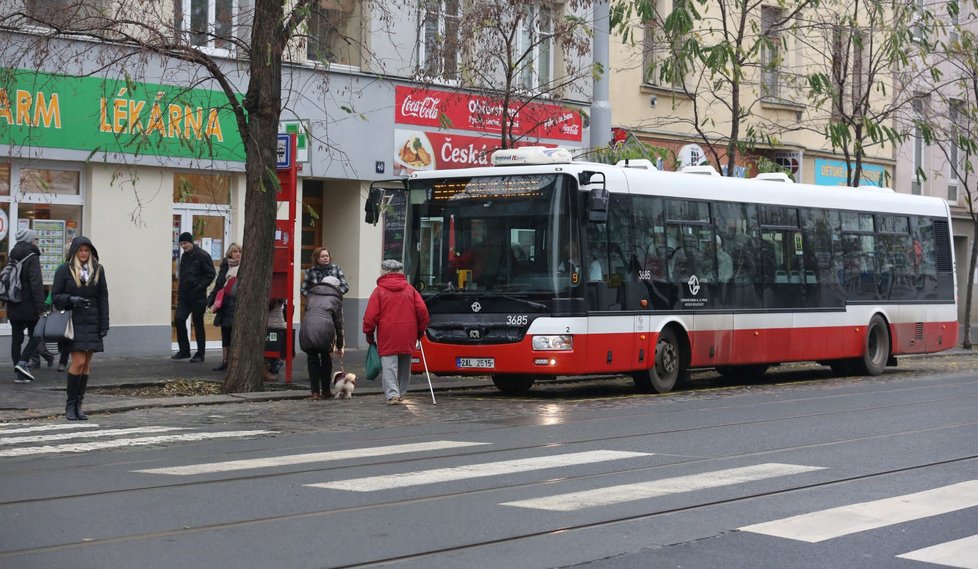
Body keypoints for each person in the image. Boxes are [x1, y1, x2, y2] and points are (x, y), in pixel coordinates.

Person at [51, 236, 109, 421]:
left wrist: (104, 324)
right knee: (78, 361)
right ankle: (70, 404)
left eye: (87, 250)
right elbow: (55, 297)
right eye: (81, 250)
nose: (84, 254)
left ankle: (78, 405)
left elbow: (103, 298)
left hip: (92, 320)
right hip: (72, 321)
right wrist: (71, 299)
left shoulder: (98, 270)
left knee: (86, 364)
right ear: (75, 252)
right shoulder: (64, 270)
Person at [362, 259, 429, 404]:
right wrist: (420, 330)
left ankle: (393, 394)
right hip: (408, 332)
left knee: (389, 364)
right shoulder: (410, 289)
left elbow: (370, 316)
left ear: (384, 272)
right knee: (405, 364)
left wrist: (369, 333)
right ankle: (402, 392)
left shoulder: (379, 291)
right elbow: (422, 311)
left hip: (387, 333)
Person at [9, 228, 47, 383]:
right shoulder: (32, 256)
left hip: (14, 303)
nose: (36, 241)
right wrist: (42, 308)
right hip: (29, 306)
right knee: (36, 336)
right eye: (35, 238)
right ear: (30, 240)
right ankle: (23, 363)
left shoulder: (13, 255)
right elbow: (36, 284)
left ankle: (19, 374)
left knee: (16, 339)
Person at [172, 232, 216, 362]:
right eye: (180, 244)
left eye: (184, 243)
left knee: (197, 323)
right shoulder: (184, 257)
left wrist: (199, 286)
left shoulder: (202, 255)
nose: (183, 246)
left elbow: (211, 274)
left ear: (191, 242)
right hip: (185, 296)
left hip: (198, 296)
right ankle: (184, 350)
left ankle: (200, 353)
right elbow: (184, 276)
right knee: (179, 319)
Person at [299, 275, 344, 400]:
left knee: (312, 359)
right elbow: (339, 324)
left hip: (308, 327)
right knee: (326, 359)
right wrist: (340, 346)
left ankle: (314, 392)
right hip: (325, 329)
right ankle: (325, 390)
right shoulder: (336, 299)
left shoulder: (311, 295)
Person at [207, 242, 241, 371]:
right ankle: (225, 360)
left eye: (239, 252)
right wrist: (211, 298)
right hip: (225, 304)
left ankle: (234, 361)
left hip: (235, 304)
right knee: (225, 332)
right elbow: (219, 285)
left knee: (234, 332)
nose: (238, 254)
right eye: (235, 252)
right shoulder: (225, 267)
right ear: (229, 254)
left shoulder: (243, 267)